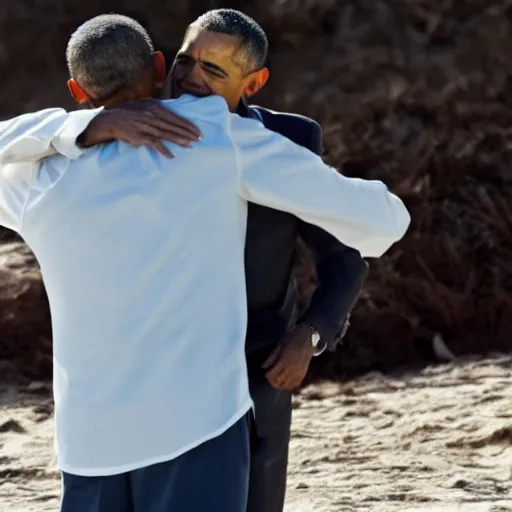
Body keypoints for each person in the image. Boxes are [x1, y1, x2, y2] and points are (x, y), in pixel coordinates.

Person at [0, 14, 410, 512]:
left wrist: (78, 127)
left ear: (75, 89)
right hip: (199, 428)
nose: (193, 78)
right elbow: (386, 220)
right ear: (159, 66)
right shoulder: (216, 138)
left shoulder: (34, 180)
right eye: (185, 63)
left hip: (90, 442)